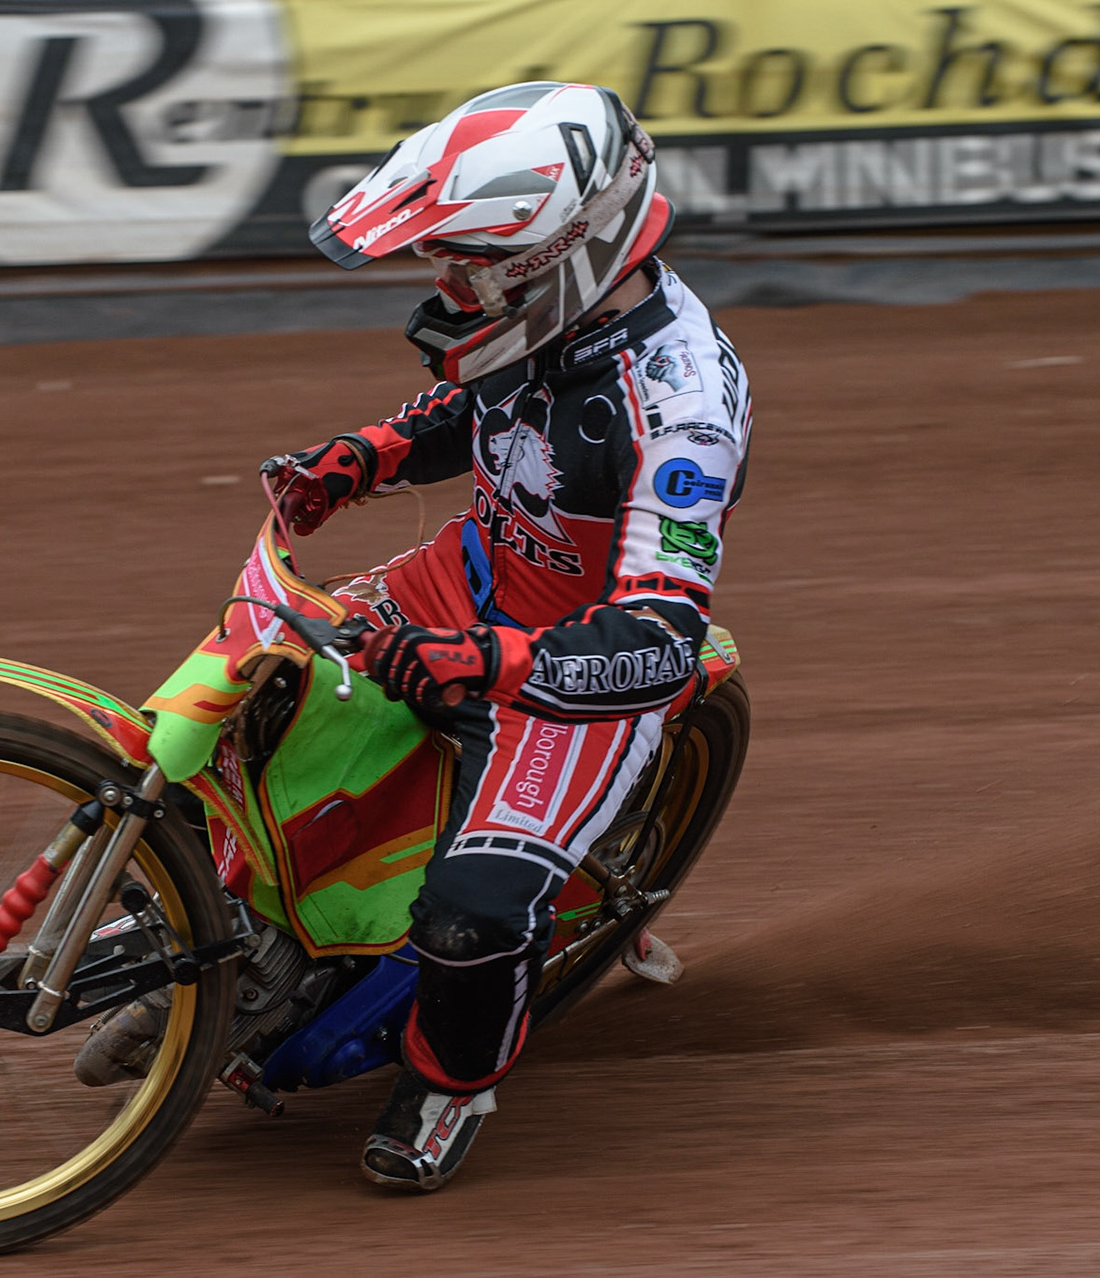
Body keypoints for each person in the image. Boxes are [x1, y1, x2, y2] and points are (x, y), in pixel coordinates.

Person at [266, 81, 754, 1191]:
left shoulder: (679, 404)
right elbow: (477, 409)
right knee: (262, 694)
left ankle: (451, 1082)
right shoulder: (546, 318)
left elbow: (665, 638)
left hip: (577, 657)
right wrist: (358, 460)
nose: (445, 290)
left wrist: (488, 665)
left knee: (472, 917)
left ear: (563, 259)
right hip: (472, 576)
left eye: (469, 270)